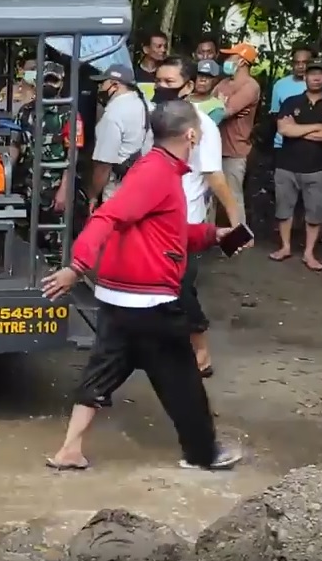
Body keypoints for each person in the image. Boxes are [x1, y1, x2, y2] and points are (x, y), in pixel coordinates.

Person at [42, 99, 242, 472]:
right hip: (149, 299)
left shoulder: (155, 170)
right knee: (183, 379)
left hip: (121, 297)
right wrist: (77, 266)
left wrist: (215, 234)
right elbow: (108, 215)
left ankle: (69, 450)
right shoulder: (157, 173)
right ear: (192, 135)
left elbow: (167, 232)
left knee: (102, 372)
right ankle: (203, 454)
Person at [154, 56, 241, 377]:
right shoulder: (156, 119)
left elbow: (215, 177)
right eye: (159, 81)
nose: (162, 88)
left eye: (170, 83)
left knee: (180, 289)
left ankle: (201, 352)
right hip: (152, 222)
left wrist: (235, 221)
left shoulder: (201, 126)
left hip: (185, 223)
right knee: (158, 288)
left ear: (188, 87)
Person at [271, 56, 322, 272]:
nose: (316, 78)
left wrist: (300, 130)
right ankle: (285, 247)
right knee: (284, 209)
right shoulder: (291, 102)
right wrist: (318, 127)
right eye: (312, 73)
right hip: (287, 165)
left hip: (319, 168)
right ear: (305, 76)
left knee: (315, 211)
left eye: (321, 74)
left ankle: (309, 253)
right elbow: (284, 130)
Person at [9, 61, 84, 259]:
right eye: (45, 79)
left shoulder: (70, 115)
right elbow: (15, 146)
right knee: (24, 245)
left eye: (54, 80)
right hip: (25, 186)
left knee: (55, 248)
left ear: (61, 83)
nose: (49, 84)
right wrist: (4, 176)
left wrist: (64, 190)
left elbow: (73, 154)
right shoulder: (25, 112)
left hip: (54, 189)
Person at [86, 64, 151, 207]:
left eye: (103, 83)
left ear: (114, 85)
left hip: (118, 190)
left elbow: (103, 165)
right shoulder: (145, 105)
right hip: (145, 183)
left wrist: (93, 197)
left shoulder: (113, 114)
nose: (100, 88)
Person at [213, 42, 262, 226]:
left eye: (230, 57)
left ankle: (241, 238)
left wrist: (220, 107)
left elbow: (223, 112)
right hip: (215, 147)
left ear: (241, 61)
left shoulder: (251, 86)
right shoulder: (223, 83)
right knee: (210, 196)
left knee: (233, 195)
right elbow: (211, 108)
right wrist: (218, 106)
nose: (226, 60)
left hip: (235, 149)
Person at [270, 44, 322, 150]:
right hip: (282, 145)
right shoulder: (280, 85)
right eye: (296, 63)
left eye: (304, 62)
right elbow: (275, 115)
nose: (300, 66)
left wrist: (295, 129)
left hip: (317, 144)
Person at [189, 59, 227, 124]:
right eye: (200, 75)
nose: (203, 79)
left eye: (208, 76)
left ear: (215, 80)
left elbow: (206, 129)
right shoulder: (182, 97)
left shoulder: (216, 106)